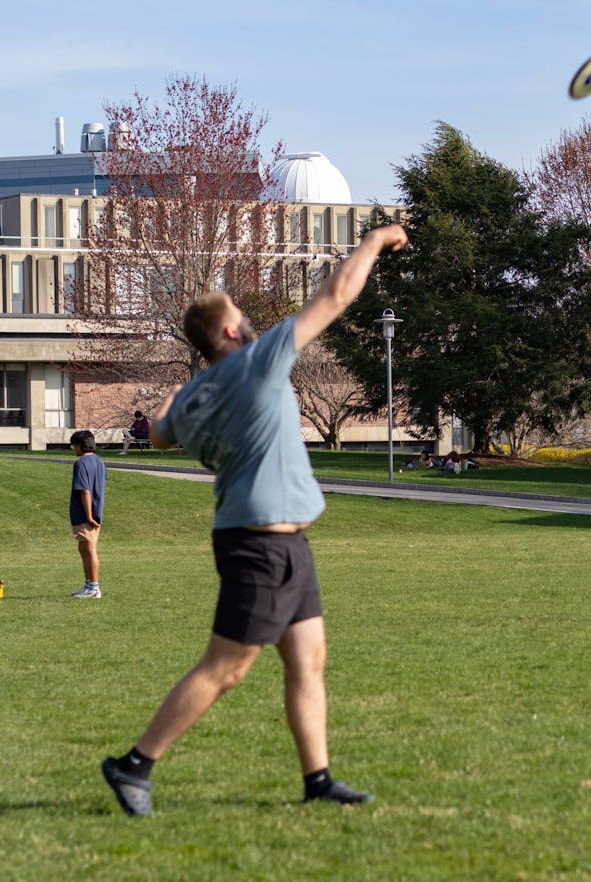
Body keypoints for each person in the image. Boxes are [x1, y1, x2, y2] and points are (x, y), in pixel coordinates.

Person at [101, 223, 409, 816]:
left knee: (307, 659)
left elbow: (159, 433)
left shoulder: (197, 396)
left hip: (282, 541)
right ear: (229, 331)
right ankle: (133, 764)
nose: (250, 324)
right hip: (259, 544)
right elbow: (336, 295)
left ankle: (318, 781)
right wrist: (373, 242)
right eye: (241, 317)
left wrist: (177, 395)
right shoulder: (258, 362)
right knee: (227, 667)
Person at [69, 429, 106, 599]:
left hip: (86, 514)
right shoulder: (99, 461)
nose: (73, 449)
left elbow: (85, 491)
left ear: (79, 446)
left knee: (90, 549)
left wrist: (89, 516)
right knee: (83, 547)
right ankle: (88, 584)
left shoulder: (81, 463)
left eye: (74, 446)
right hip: (95, 511)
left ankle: (94, 587)